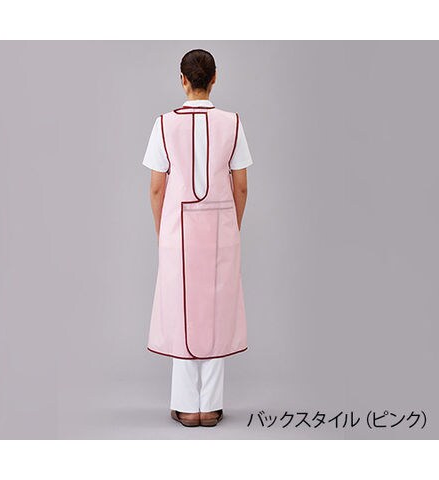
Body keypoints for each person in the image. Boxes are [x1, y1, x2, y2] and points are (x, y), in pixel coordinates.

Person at [142, 49, 253, 427]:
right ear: (215, 78)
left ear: (183, 80)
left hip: (178, 230)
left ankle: (188, 405)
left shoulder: (163, 124)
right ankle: (212, 406)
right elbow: (241, 186)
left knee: (181, 306)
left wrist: (163, 232)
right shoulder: (233, 123)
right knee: (217, 308)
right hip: (222, 228)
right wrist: (232, 226)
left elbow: (157, 188)